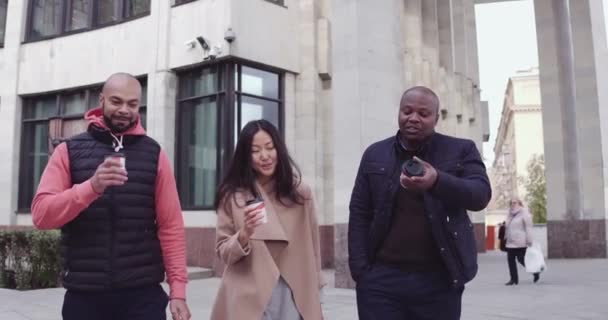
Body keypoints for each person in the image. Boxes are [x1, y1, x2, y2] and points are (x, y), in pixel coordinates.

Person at [31, 73, 191, 320]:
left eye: (132, 104)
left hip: (143, 295)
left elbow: (171, 226)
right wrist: (91, 187)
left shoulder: (154, 153)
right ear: (101, 100)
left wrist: (178, 290)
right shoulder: (68, 151)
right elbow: (42, 216)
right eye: (116, 101)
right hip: (85, 295)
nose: (124, 110)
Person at [348, 86, 492, 320]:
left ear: (436, 117)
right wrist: (361, 270)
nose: (413, 118)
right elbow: (359, 212)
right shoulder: (375, 153)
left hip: (439, 280)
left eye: (423, 114)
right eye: (407, 111)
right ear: (399, 113)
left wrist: (437, 180)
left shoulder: (461, 150)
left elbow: (480, 195)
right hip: (381, 281)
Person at [210, 120, 324, 320]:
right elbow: (223, 252)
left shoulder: (300, 194)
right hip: (249, 297)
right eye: (255, 151)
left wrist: (317, 291)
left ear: (278, 149)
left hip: (292, 292)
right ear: (246, 156)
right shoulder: (233, 197)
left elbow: (313, 247)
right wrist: (244, 235)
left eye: (270, 148)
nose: (265, 156)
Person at [504, 199, 540, 285]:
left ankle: (535, 272)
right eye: (511, 203)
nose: (512, 204)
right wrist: (506, 236)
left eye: (515, 203)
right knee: (510, 260)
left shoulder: (524, 213)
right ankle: (513, 279)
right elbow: (508, 227)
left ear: (519, 204)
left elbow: (528, 227)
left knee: (522, 260)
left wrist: (529, 240)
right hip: (510, 242)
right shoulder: (510, 214)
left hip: (520, 241)